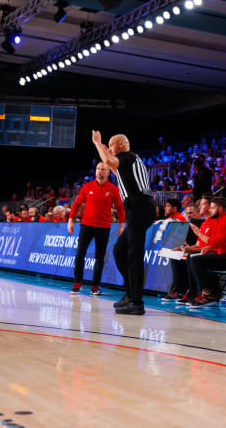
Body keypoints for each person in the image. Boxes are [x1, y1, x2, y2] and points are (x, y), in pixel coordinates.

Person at [92, 131, 154, 315]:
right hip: (138, 208)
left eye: (111, 145)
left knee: (134, 255)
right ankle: (130, 292)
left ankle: (136, 302)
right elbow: (111, 166)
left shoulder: (128, 156)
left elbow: (109, 161)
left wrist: (97, 143)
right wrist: (104, 150)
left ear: (120, 145)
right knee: (119, 251)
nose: (109, 149)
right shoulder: (127, 162)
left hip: (139, 207)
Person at [68, 162, 125, 296]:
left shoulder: (113, 189)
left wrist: (121, 225)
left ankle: (95, 285)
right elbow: (77, 204)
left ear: (108, 173)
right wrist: (70, 220)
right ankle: (77, 282)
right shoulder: (87, 187)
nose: (100, 171)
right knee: (80, 254)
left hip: (103, 227)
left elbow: (120, 208)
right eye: (98, 169)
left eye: (103, 169)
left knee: (99, 257)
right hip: (86, 225)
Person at [187, 197, 226, 307]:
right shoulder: (220, 220)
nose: (210, 210)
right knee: (193, 258)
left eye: (213, 208)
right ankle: (200, 293)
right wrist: (210, 249)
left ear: (220, 209)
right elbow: (216, 244)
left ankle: (208, 294)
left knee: (196, 260)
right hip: (224, 254)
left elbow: (216, 242)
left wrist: (199, 234)